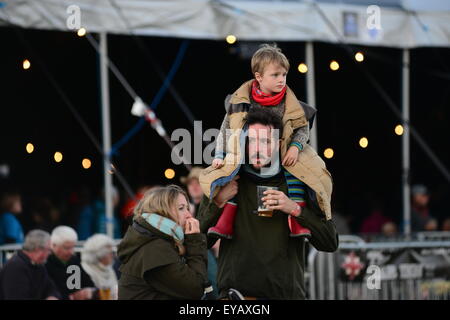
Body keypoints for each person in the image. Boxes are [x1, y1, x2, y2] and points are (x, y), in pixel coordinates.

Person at [198, 108, 338, 299]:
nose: (257, 148)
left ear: (279, 144)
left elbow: (330, 242)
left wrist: (295, 209)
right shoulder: (223, 181)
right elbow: (199, 244)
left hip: (286, 295)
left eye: (265, 141)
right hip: (236, 297)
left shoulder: (300, 180)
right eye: (252, 140)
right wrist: (218, 201)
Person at [208, 43, 317, 239]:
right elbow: (226, 129)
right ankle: (225, 221)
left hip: (281, 156)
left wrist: (295, 146)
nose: (281, 80)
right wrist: (219, 154)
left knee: (304, 175)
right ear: (259, 77)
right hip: (246, 155)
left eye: (284, 75)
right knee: (231, 178)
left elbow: (303, 127)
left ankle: (297, 220)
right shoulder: (240, 101)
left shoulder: (292, 105)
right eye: (275, 75)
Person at [117, 185, 208, 300]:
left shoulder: (156, 241)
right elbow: (196, 289)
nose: (189, 215)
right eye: (181, 208)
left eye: (187, 208)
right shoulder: (155, 249)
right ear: (162, 212)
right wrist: (194, 241)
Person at [181, 166, 219, 299]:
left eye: (197, 183)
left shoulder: (214, 204)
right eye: (190, 183)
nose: (194, 187)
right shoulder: (185, 209)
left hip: (210, 252)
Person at [0, 230, 60, 300]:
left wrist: (52, 296)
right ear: (39, 249)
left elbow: (51, 288)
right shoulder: (15, 267)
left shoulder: (38, 266)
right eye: (48, 250)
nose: (50, 253)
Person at [46, 226, 97, 300]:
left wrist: (88, 291)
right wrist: (71, 297)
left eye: (73, 247)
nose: (71, 252)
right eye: (66, 248)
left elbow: (88, 284)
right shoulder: (45, 264)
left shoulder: (74, 261)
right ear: (53, 245)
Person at [81, 234, 119, 300]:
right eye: (110, 253)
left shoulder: (109, 269)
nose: (113, 256)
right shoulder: (86, 270)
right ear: (100, 255)